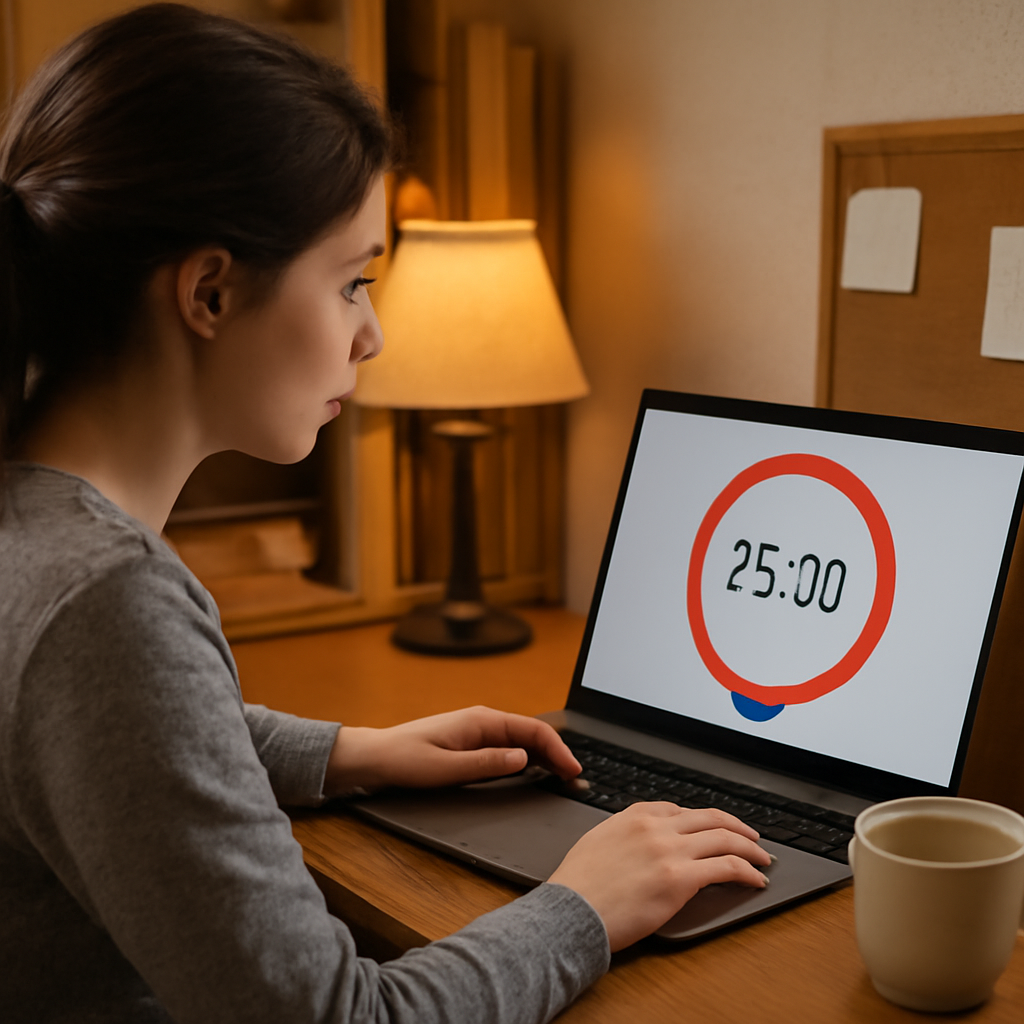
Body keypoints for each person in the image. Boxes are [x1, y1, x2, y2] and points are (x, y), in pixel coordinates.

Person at [0, 5, 771, 1022]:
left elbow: (98, 742)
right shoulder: (111, 601)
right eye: (353, 280)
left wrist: (349, 753)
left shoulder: (36, 525)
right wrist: (587, 903)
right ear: (211, 293)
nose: (372, 334)